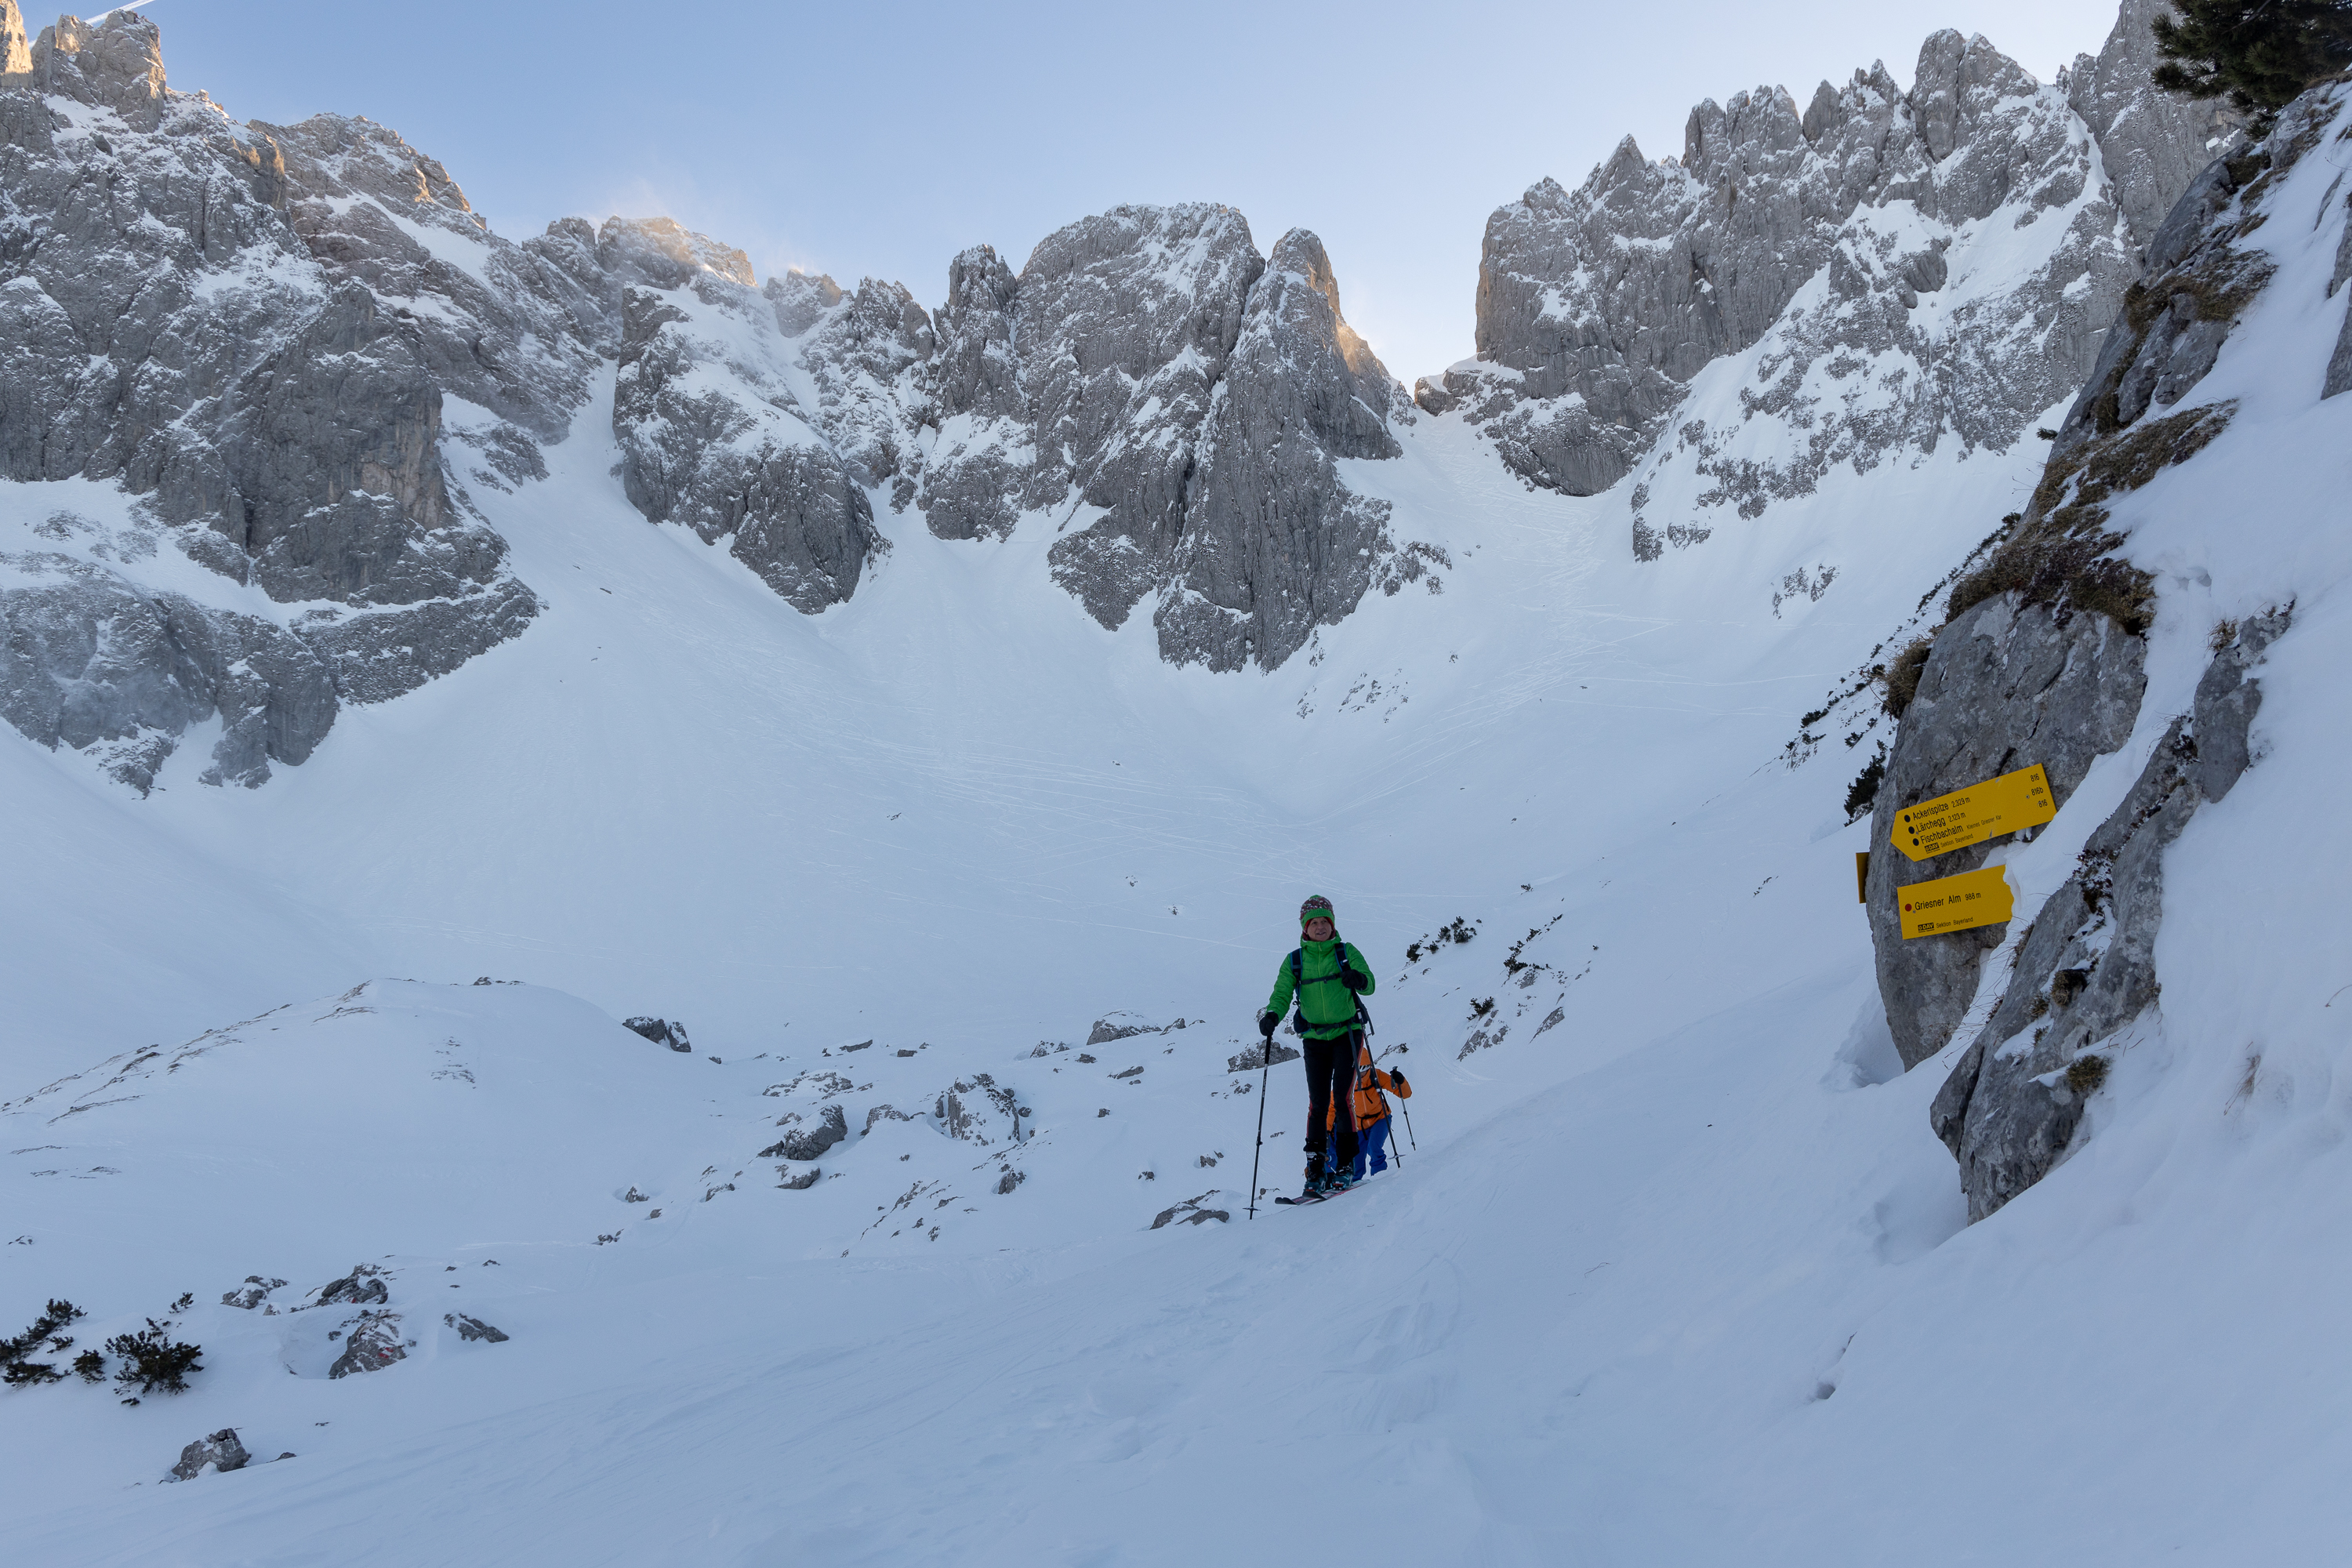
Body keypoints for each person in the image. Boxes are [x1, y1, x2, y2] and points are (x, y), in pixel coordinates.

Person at [1259, 895, 1374, 1198]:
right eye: (1314, 922)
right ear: (1305, 927)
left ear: (1333, 924)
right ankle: (1317, 1168)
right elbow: (1282, 992)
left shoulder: (1346, 953)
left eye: (1325, 921)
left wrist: (1358, 978)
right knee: (1318, 1103)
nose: (1320, 927)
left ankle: (1347, 1165)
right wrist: (1272, 1014)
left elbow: (1370, 983)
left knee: (1342, 1099)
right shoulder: (1295, 961)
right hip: (1313, 1039)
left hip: (1347, 1034)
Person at [1327, 1038, 1410, 1181]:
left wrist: (1400, 1081)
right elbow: (1332, 1108)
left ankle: (1380, 1178)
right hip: (1358, 1127)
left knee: (1374, 1148)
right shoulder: (1345, 1083)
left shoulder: (1376, 1076)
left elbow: (1405, 1094)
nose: (1362, 1074)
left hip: (1381, 1119)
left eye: (1365, 1069)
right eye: (1358, 1070)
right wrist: (1327, 1131)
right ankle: (1354, 1184)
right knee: (1356, 1160)